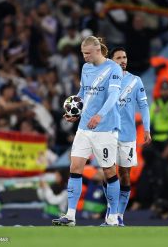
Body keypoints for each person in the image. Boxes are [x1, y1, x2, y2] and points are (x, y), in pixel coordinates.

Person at [52, 36, 122, 226]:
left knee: (109, 171)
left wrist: (100, 115)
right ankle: (70, 215)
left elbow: (114, 95)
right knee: (75, 167)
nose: (84, 57)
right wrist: (75, 112)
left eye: (87, 53)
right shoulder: (86, 68)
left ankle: (114, 216)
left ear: (97, 51)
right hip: (84, 127)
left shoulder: (113, 69)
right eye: (83, 53)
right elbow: (83, 93)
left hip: (105, 128)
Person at [107, 47, 151, 226]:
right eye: (118, 58)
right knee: (108, 174)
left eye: (124, 57)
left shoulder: (135, 81)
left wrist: (147, 129)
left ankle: (120, 215)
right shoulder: (105, 81)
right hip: (107, 134)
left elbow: (144, 106)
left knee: (125, 175)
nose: (123, 60)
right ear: (111, 61)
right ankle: (110, 213)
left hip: (127, 136)